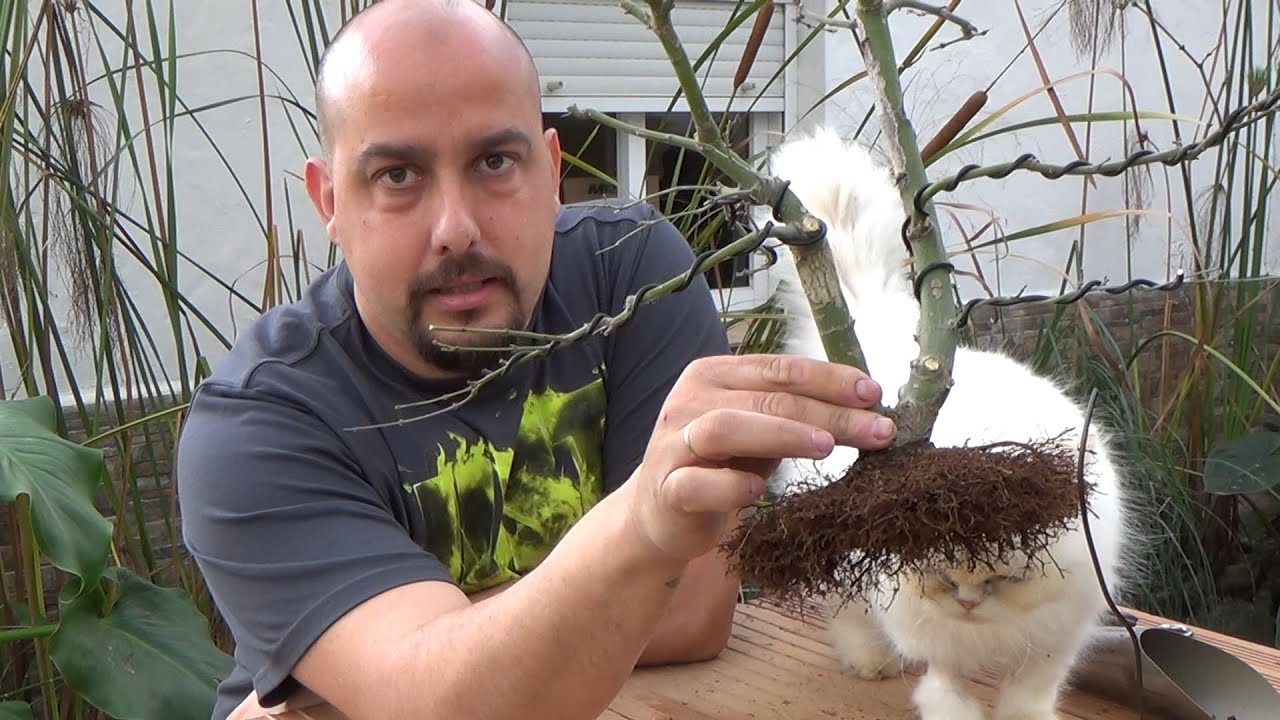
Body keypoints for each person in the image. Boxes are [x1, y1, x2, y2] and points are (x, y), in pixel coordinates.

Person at [175, 1, 898, 718]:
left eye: (495, 162)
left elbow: (697, 610)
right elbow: (444, 708)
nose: (455, 229)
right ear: (330, 199)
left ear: (551, 172)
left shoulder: (633, 275)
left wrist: (374, 675)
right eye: (398, 175)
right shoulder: (261, 422)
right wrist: (635, 538)